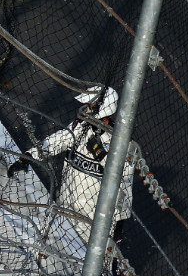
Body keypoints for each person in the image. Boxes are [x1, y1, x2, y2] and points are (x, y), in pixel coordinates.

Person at [12, 85, 134, 243]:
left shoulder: (119, 142)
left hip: (92, 220)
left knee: (91, 261)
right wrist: (29, 156)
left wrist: (120, 222)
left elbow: (125, 183)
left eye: (89, 107)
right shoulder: (81, 127)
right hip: (65, 206)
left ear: (102, 110)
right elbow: (59, 140)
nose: (85, 110)